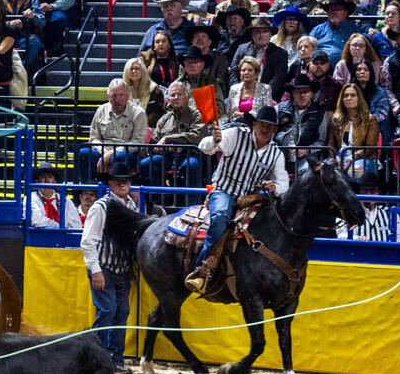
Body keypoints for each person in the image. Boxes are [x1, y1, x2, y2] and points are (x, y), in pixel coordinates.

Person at [185, 106, 289, 293]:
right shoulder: (235, 134)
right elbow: (205, 147)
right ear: (254, 124)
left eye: (270, 127)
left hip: (249, 198)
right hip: (224, 190)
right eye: (263, 125)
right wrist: (215, 140)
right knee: (221, 217)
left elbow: (284, 185)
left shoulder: (276, 154)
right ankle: (201, 269)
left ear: (275, 130)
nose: (266, 130)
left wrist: (274, 187)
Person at [80, 160, 139, 372]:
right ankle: (98, 356)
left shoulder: (131, 206)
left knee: (121, 311)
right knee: (108, 310)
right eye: (118, 181)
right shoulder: (100, 207)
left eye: (126, 181)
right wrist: (95, 270)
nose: (122, 185)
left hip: (122, 269)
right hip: (104, 267)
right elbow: (88, 241)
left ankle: (116, 358)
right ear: (110, 184)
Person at [77, 79, 147, 180]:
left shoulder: (138, 113)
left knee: (118, 157)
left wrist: (111, 153)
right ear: (109, 97)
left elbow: (137, 142)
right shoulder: (101, 110)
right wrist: (103, 151)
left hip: (128, 153)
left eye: (121, 95)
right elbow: (93, 138)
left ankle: (119, 189)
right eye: (113, 96)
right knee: (84, 153)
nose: (117, 99)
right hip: (103, 150)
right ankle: (88, 190)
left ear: (127, 96)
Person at [140, 81, 206, 188]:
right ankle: (161, 198)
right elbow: (154, 143)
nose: (176, 97)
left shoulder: (197, 115)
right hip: (168, 155)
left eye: (179, 94)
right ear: (169, 100)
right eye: (172, 95)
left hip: (189, 153)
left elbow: (197, 135)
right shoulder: (164, 119)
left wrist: (168, 139)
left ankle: (192, 202)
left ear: (187, 97)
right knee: (145, 164)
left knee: (191, 165)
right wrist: (165, 148)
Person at [275, 79, 327, 174]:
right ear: (293, 94)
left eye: (306, 92)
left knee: (307, 172)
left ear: (311, 94)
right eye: (298, 92)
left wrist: (307, 150)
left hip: (306, 158)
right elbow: (270, 133)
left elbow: (321, 141)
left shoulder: (320, 112)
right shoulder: (279, 108)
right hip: (279, 155)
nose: (302, 95)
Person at [27, 164, 80, 229]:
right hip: (39, 237)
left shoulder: (66, 200)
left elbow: (76, 225)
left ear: (55, 181)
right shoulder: (31, 198)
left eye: (50, 177)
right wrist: (60, 228)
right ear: (37, 181)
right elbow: (37, 220)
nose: (47, 180)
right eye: (43, 177)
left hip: (63, 237)